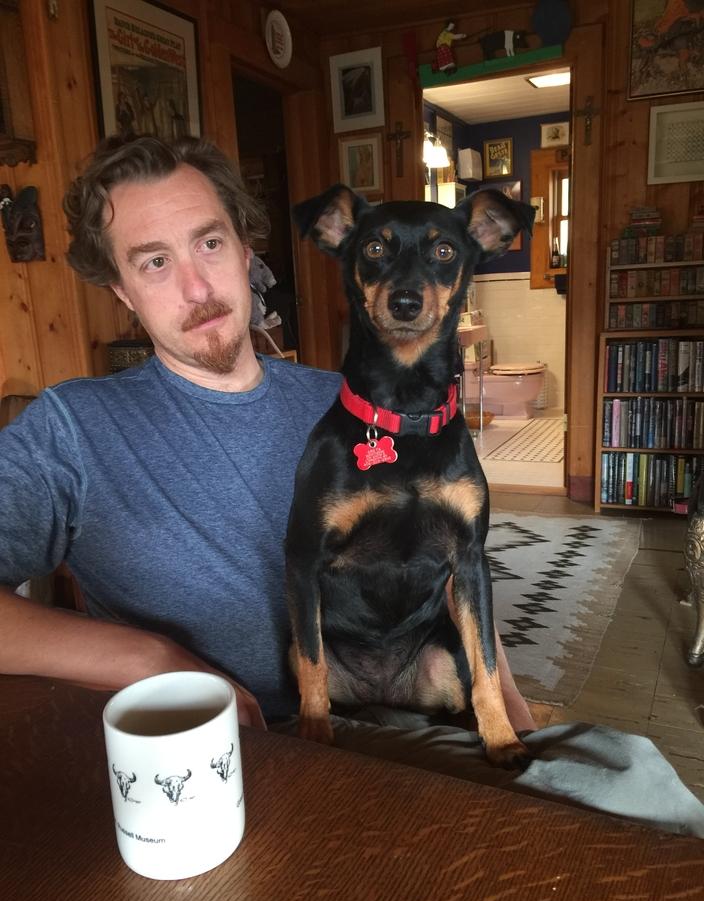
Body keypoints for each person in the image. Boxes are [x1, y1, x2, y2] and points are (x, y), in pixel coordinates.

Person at [1, 135, 702, 839]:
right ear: (120, 288)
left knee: (636, 778)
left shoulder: (362, 403)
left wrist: (512, 708)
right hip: (214, 756)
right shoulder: (73, 429)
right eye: (155, 262)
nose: (195, 287)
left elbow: (455, 561)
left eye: (209, 245)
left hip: (402, 716)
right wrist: (153, 659)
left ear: (248, 251)